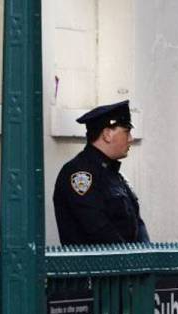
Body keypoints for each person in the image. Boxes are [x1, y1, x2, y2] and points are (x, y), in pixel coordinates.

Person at [53, 100, 149, 245]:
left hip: (129, 263)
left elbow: (137, 224)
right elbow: (99, 231)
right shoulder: (79, 174)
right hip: (96, 266)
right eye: (126, 132)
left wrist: (145, 257)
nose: (130, 139)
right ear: (107, 134)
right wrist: (132, 260)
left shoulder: (115, 175)